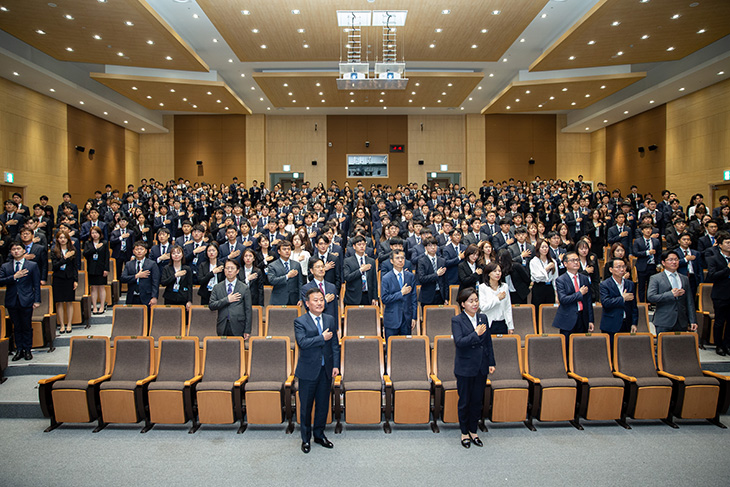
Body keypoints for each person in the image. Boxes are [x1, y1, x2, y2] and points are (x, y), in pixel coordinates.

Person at [294, 288, 340, 454]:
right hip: (307, 371)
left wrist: (335, 365)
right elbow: (302, 342)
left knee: (322, 405)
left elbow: (334, 344)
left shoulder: (329, 319)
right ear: (307, 303)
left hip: (326, 370)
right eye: (315, 300)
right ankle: (305, 439)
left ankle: (319, 435)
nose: (319, 303)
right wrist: (321, 338)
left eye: (321, 300)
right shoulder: (300, 321)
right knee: (306, 407)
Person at [452, 287, 495, 449]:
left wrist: (491, 362)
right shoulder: (457, 320)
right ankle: (464, 432)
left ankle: (473, 430)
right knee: (465, 401)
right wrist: (475, 334)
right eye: (471, 301)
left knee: (477, 401)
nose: (475, 304)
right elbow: (460, 342)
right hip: (465, 367)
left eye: (476, 300)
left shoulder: (483, 317)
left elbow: (488, 342)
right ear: (463, 304)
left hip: (481, 366)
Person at [0, 241, 41, 361]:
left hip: (27, 299)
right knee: (16, 326)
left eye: (18, 248)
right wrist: (13, 277)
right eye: (13, 249)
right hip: (12, 300)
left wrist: (37, 300)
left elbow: (36, 284)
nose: (16, 251)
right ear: (11, 252)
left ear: (24, 251)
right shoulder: (5, 266)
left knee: (26, 325)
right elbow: (1, 280)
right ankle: (19, 350)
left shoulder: (32, 265)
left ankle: (28, 350)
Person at [647, 250, 697, 336]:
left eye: (676, 259)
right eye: (670, 260)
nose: (674, 262)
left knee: (678, 347)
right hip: (664, 320)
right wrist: (671, 294)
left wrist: (693, 320)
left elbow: (689, 301)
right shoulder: (656, 278)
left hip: (681, 320)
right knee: (663, 348)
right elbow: (651, 297)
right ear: (663, 262)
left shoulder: (684, 278)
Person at [552, 251, 595, 341]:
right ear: (565, 264)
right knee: (567, 349)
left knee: (581, 348)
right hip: (568, 319)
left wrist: (590, 320)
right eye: (572, 260)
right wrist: (579, 294)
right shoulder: (561, 280)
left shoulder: (584, 278)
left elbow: (588, 301)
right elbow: (563, 299)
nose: (576, 262)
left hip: (583, 318)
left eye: (577, 260)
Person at [599, 259, 638, 348]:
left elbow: (634, 306)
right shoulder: (605, 284)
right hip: (611, 324)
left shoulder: (630, 284)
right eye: (618, 267)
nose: (622, 269)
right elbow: (606, 303)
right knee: (611, 352)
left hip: (627, 323)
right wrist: (622, 299)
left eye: (623, 267)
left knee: (625, 351)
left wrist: (634, 323)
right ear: (611, 270)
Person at [208, 258, 252, 339]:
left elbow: (248, 310)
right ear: (224, 270)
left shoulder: (244, 288)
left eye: (232, 268)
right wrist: (227, 300)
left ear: (237, 271)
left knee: (237, 350)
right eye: (227, 268)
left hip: (238, 325)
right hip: (222, 324)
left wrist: (247, 330)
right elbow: (211, 305)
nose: (229, 270)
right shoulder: (217, 287)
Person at [381, 250, 418, 340]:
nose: (400, 260)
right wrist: (401, 293)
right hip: (392, 319)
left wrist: (414, 317)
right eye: (397, 258)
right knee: (391, 348)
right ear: (391, 261)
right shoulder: (386, 278)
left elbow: (413, 298)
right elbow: (384, 299)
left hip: (407, 318)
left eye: (402, 258)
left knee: (405, 348)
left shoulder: (410, 276)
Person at [705, 232, 730, 355]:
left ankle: (727, 344)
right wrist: (727, 269)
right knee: (719, 321)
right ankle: (718, 345)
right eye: (727, 243)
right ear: (720, 245)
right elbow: (712, 276)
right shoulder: (713, 258)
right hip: (720, 294)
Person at [51, 230, 79, 334]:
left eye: (64, 237)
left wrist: (76, 280)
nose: (62, 239)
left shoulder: (73, 250)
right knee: (59, 302)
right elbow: (54, 266)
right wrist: (65, 258)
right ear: (57, 239)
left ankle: (69, 324)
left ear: (68, 239)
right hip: (58, 278)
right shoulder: (54, 250)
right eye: (60, 237)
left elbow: (75, 266)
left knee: (69, 301)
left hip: (69, 277)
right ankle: (62, 324)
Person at [120, 241, 160, 307]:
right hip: (132, 296)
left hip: (147, 296)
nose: (139, 251)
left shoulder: (152, 264)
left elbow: (155, 282)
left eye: (141, 249)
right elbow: (123, 278)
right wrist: (136, 276)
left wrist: (154, 297)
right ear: (133, 251)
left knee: (147, 316)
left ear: (145, 251)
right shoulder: (129, 264)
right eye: (137, 249)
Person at [478, 262, 513, 335]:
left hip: (502, 322)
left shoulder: (504, 287)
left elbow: (508, 307)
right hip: (488, 323)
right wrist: (497, 299)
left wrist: (510, 326)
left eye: (499, 271)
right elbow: (483, 307)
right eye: (494, 271)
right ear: (488, 273)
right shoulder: (482, 287)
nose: (498, 273)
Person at [301, 257, 339, 324]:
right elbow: (309, 308)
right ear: (312, 271)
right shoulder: (306, 288)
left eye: (322, 266)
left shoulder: (332, 287)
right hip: (314, 324)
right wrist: (325, 301)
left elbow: (335, 310)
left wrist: (337, 329)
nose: (321, 269)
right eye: (318, 267)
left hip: (330, 324)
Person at [342, 235, 378, 306]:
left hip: (367, 296)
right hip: (353, 296)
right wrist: (360, 270)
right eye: (359, 245)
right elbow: (347, 277)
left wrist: (374, 297)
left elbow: (374, 280)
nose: (362, 246)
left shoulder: (371, 261)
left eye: (363, 244)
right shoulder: (348, 261)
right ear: (354, 246)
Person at [82, 226, 109, 314]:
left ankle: (101, 306)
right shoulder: (87, 243)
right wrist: (95, 248)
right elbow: (85, 253)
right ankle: (94, 307)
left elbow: (106, 257)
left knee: (101, 287)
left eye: (96, 233)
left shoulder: (104, 243)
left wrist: (106, 269)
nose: (95, 235)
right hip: (91, 268)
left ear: (100, 234)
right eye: (93, 233)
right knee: (93, 288)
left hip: (101, 268)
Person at [267, 240, 303, 306]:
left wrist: (300, 298)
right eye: (284, 249)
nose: (287, 251)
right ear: (279, 251)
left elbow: (300, 283)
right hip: (278, 299)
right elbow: (272, 280)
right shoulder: (272, 265)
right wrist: (287, 276)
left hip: (294, 299)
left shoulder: (296, 265)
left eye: (288, 249)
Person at [160, 245, 193, 310]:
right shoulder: (166, 268)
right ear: (171, 256)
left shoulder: (187, 269)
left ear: (182, 255)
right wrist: (175, 275)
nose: (176, 255)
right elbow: (163, 282)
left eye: (178, 253)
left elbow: (189, 286)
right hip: (170, 297)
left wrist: (189, 301)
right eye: (174, 253)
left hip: (183, 297)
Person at [417, 237, 447, 307]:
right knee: (427, 317)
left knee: (440, 316)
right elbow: (421, 278)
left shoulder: (442, 261)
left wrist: (446, 298)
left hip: (440, 295)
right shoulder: (422, 261)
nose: (433, 247)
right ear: (425, 248)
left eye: (435, 245)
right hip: (427, 296)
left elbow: (445, 281)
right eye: (430, 245)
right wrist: (436, 274)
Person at [530, 238, 558, 309]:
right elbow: (537, 277)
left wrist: (556, 294)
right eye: (542, 247)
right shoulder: (534, 261)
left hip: (549, 287)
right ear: (538, 248)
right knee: (538, 310)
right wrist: (546, 268)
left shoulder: (553, 261)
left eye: (546, 247)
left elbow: (555, 278)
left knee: (549, 310)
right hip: (538, 288)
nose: (545, 249)